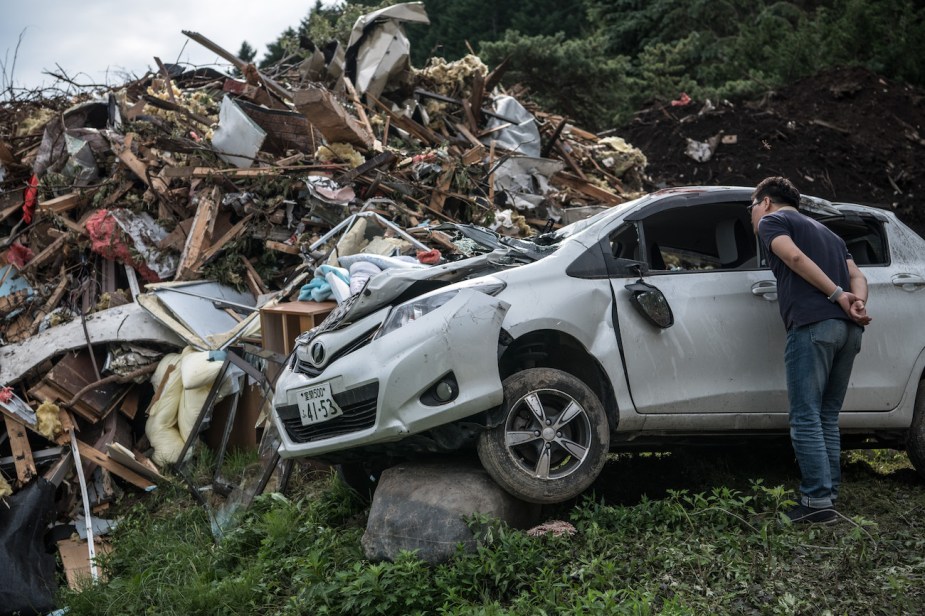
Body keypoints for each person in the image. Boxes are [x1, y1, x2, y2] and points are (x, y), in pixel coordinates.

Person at [750, 176, 872, 524]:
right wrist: (855, 302)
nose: (753, 216)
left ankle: (816, 502)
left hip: (814, 326)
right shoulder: (830, 234)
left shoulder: (774, 221)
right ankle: (827, 496)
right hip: (848, 331)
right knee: (826, 416)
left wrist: (836, 296)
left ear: (766, 202)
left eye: (752, 208)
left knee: (805, 416)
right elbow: (858, 276)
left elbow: (794, 257)